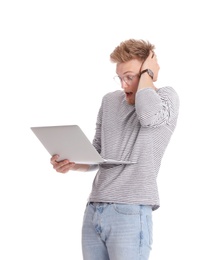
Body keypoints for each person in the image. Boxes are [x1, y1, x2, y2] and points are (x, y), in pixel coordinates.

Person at [50, 39, 179, 260]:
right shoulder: (109, 101)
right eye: (120, 77)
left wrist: (147, 73)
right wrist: (71, 163)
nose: (123, 85)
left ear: (148, 72)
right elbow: (97, 155)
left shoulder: (165, 99)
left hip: (130, 211)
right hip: (94, 209)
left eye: (130, 77)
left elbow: (147, 117)